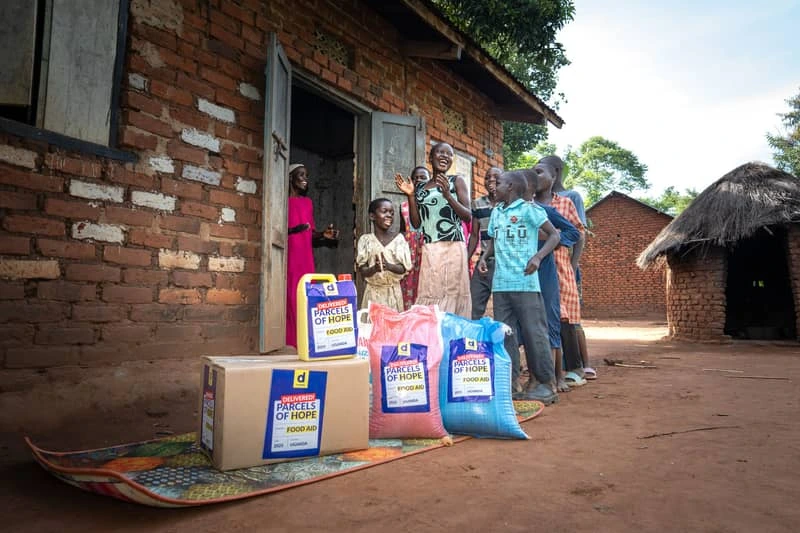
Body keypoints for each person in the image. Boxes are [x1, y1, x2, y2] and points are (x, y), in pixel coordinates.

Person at [477, 171, 561, 404]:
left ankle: (545, 384)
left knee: (535, 334)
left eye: (499, 183)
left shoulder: (529, 210)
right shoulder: (496, 212)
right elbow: (493, 241)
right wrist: (484, 257)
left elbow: (554, 236)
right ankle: (511, 383)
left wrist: (538, 257)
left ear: (511, 186)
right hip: (501, 285)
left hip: (525, 283)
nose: (495, 186)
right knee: (506, 336)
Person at [394, 142, 472, 317]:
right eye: (440, 152)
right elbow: (416, 223)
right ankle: (433, 334)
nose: (445, 156)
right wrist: (411, 195)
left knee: (453, 292)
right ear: (430, 157)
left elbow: (467, 216)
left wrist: (447, 195)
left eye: (449, 154)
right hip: (431, 247)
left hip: (454, 245)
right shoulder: (420, 188)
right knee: (431, 291)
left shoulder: (456, 181)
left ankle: (451, 334)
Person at [539, 155, 596, 380]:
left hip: (563, 264)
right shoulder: (528, 202)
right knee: (547, 317)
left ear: (555, 173)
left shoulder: (568, 199)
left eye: (541, 169)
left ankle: (577, 366)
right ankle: (550, 369)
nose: (536, 174)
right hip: (540, 267)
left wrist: (573, 265)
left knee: (570, 318)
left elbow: (578, 233)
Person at [526, 167, 581, 393]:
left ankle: (556, 377)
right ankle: (535, 378)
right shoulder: (511, 212)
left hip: (548, 269)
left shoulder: (545, 210)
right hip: (525, 275)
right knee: (530, 326)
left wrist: (552, 243)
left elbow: (574, 233)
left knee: (551, 321)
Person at [285, 163, 339, 348]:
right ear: (290, 178)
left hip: (306, 257)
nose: (304, 178)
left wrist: (323, 234)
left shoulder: (308, 203)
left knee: (307, 295)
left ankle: (306, 341)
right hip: (290, 255)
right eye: (300, 175)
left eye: (306, 175)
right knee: (291, 296)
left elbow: (310, 232)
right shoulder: (283, 202)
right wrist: (295, 230)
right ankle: (291, 342)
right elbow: (278, 230)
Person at [356, 198, 412, 312]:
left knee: (393, 327)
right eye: (384, 211)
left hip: (393, 294)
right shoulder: (366, 240)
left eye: (392, 213)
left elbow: (403, 268)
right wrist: (375, 268)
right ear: (372, 216)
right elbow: (363, 270)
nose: (389, 215)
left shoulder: (398, 240)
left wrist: (388, 266)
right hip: (372, 295)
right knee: (372, 327)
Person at [467, 167, 501, 319]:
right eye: (488, 177)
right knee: (474, 306)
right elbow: (474, 235)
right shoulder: (478, 204)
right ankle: (474, 340)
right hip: (485, 262)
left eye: (496, 177)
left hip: (505, 263)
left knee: (502, 309)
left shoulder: (509, 204)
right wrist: (466, 258)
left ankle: (505, 341)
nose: (491, 180)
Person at [399, 166, 429, 310]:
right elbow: (402, 232)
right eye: (415, 177)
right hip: (410, 255)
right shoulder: (404, 207)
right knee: (408, 288)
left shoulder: (432, 204)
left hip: (428, 253)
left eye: (423, 177)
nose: (418, 180)